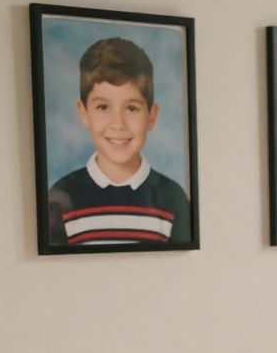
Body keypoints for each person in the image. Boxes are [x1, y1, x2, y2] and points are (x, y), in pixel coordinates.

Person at [47, 37, 191, 246]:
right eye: (103, 107)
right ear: (84, 113)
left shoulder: (173, 197)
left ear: (151, 116)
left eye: (131, 108)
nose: (118, 124)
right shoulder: (61, 197)